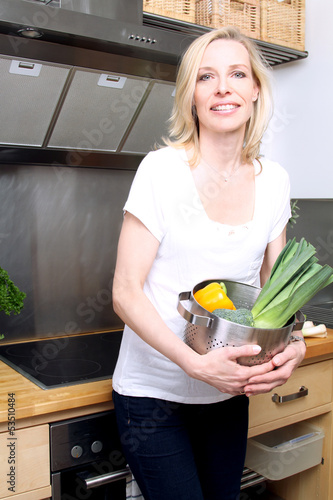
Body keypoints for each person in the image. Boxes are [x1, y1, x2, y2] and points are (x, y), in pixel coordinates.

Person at [111, 26, 306, 500]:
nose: (223, 87)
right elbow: (125, 292)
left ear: (255, 90)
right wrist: (195, 366)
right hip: (153, 397)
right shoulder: (162, 172)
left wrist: (294, 344)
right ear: (191, 96)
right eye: (206, 77)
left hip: (227, 394)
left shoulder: (273, 180)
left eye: (237, 74)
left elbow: (276, 290)